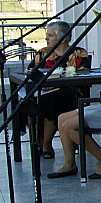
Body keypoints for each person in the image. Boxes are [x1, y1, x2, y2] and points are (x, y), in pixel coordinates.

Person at [28, 21, 89, 164]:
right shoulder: (43, 53)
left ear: (62, 38)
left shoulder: (78, 53)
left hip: (72, 93)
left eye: (50, 36)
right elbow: (30, 73)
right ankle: (42, 142)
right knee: (36, 100)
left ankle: (45, 144)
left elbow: (83, 74)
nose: (46, 39)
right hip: (45, 92)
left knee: (54, 99)